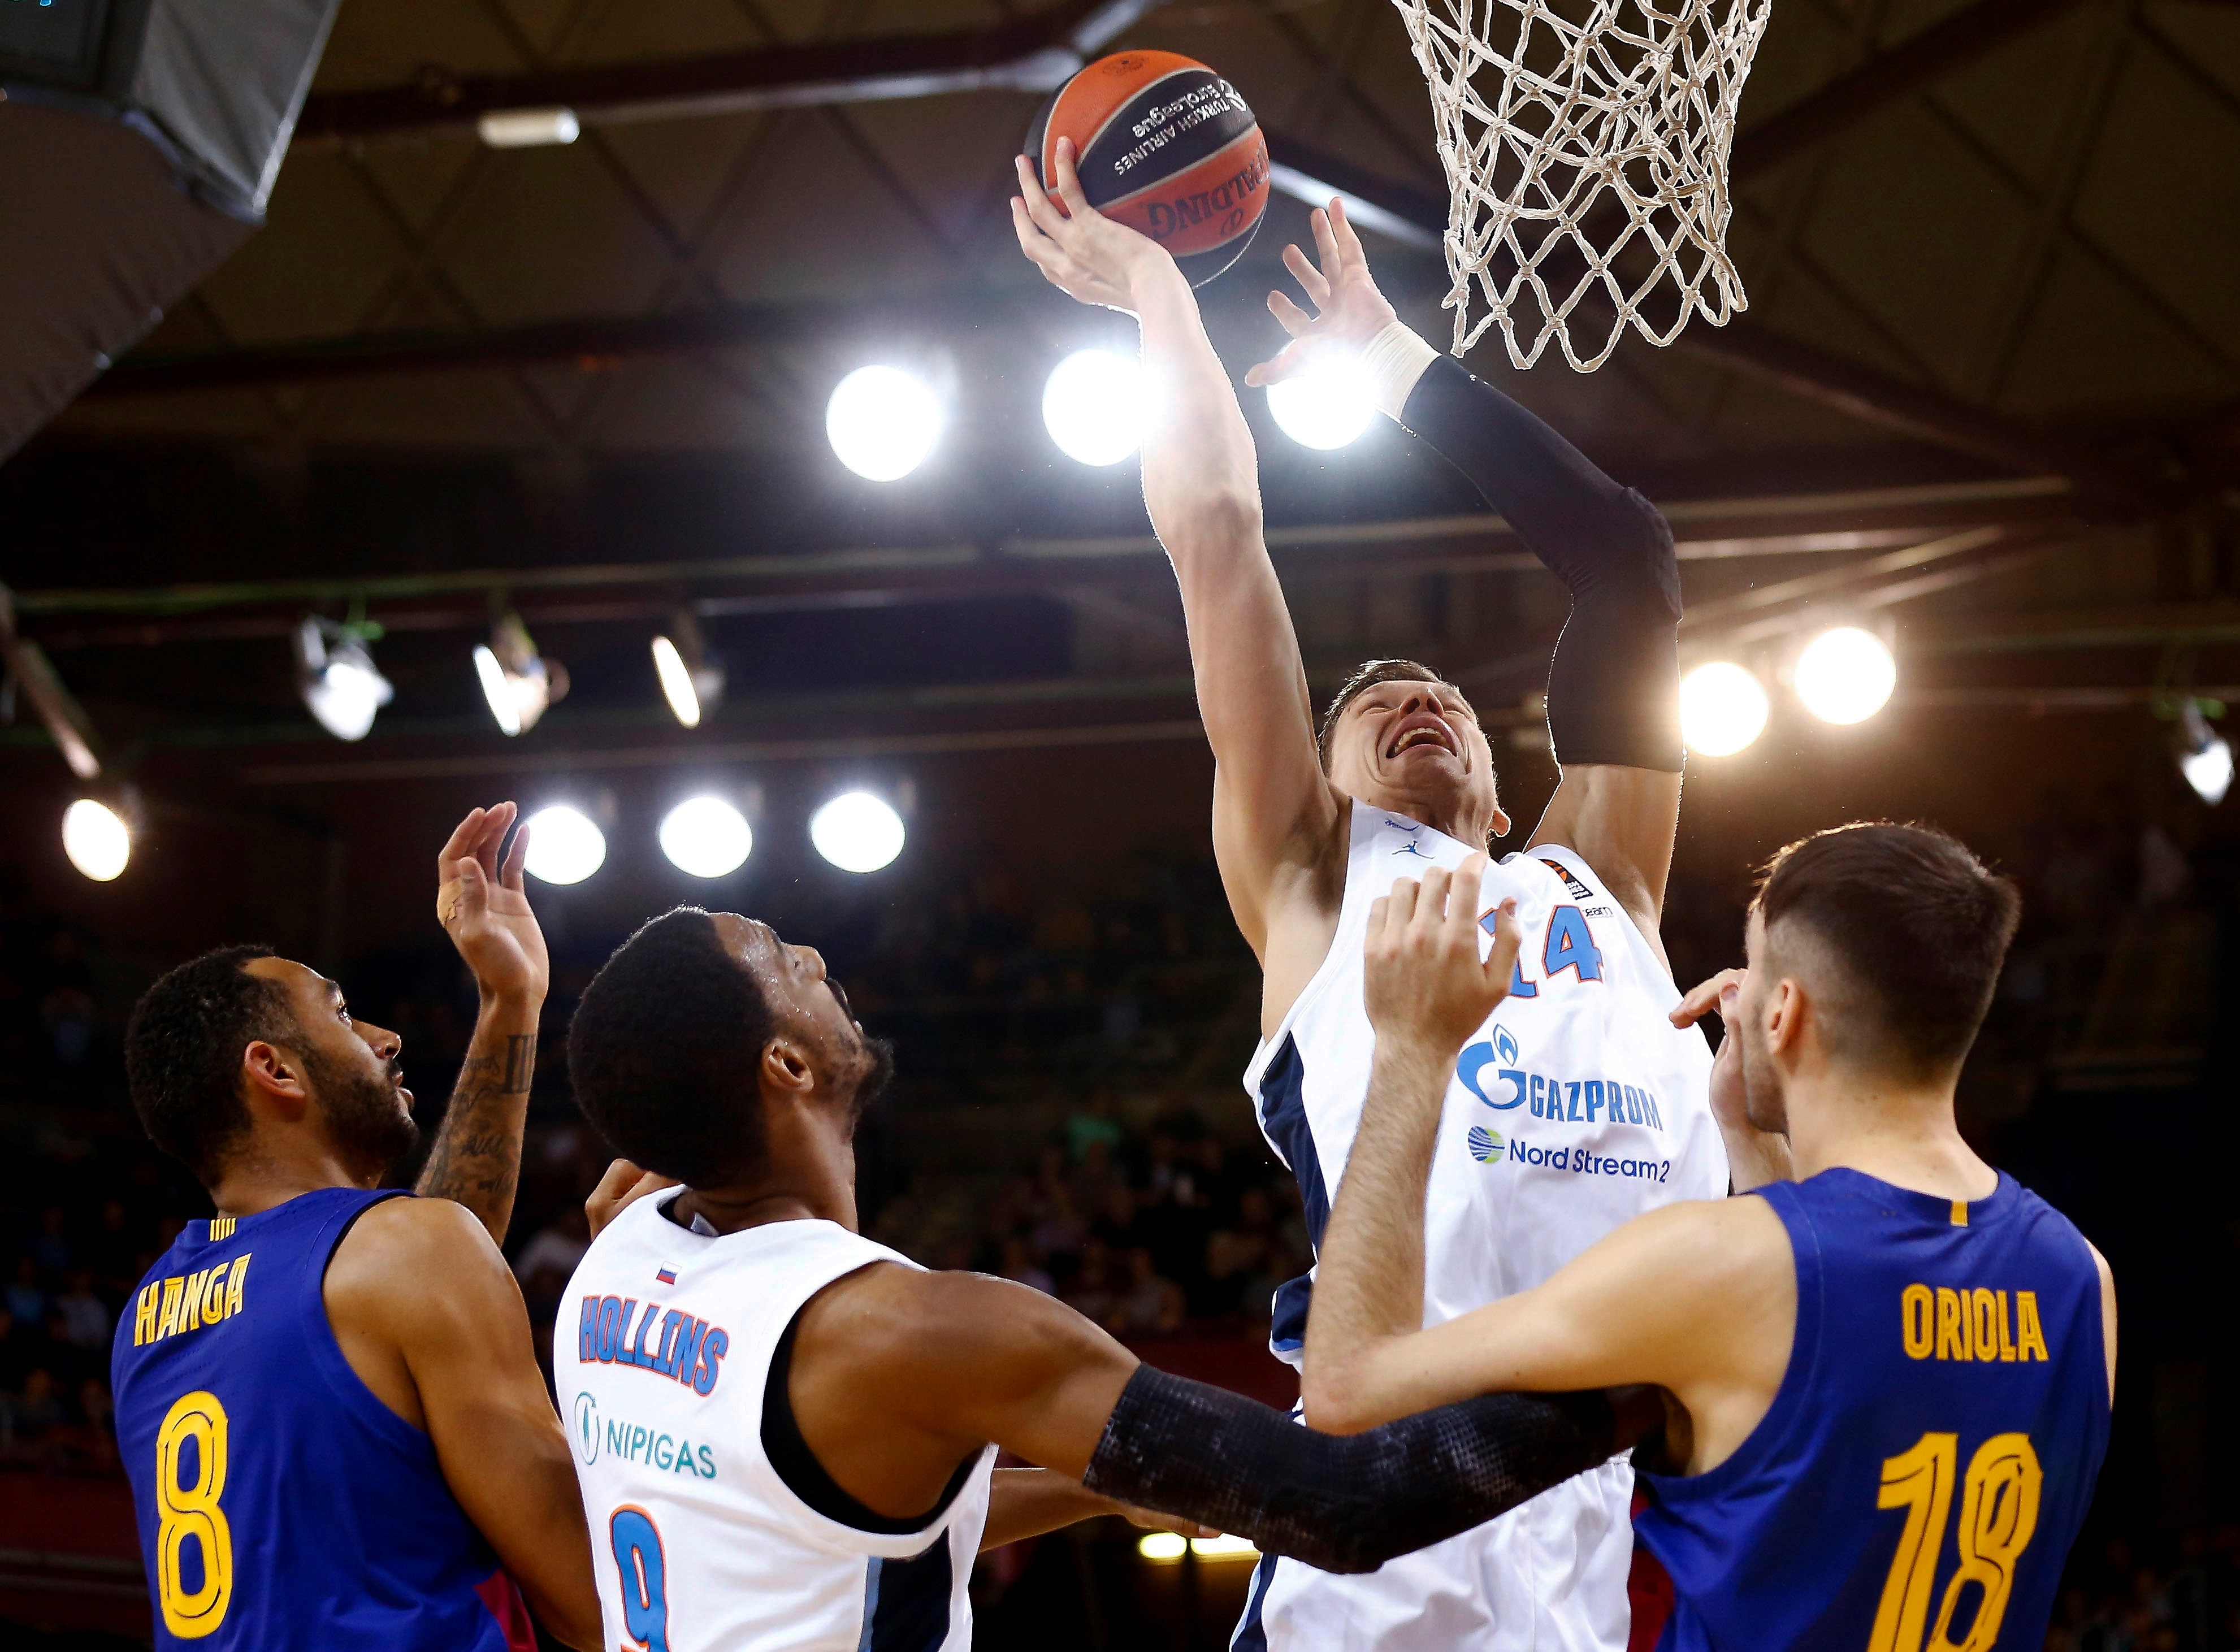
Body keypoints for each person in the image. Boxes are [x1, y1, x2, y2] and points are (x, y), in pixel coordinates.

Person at [1012, 141, 1738, 1650]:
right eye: (1372, 707)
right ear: (1323, 776)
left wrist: (1392, 359)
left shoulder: (1598, 874)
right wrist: (1158, 294)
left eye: (1446, 699)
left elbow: (1628, 563)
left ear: (1500, 756)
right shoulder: (1311, 879)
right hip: (1368, 1578)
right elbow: (1216, 532)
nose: (1418, 704)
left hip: (1578, 1569)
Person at [557, 905, 1666, 1652]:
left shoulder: (616, 1257)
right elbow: (1346, 1506)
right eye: (785, 963)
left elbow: (842, 1503)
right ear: (786, 1067)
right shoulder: (921, 1331)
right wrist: (1647, 1380)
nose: (815, 961)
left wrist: (1104, 1479)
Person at [1304, 831, 2115, 1652]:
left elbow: (1347, 1386)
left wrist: (1413, 1048)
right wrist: (1753, 1132)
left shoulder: (1718, 1263)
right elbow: (1841, 1385)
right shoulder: (2080, 1276)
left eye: (1755, 965)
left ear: (1784, 1011)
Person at [111, 803, 600, 1650]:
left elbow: (429, 1276)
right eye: (340, 1014)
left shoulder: (152, 1312)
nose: (385, 1035)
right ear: (274, 1070)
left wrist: (510, 999)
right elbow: (603, 1609)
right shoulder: (406, 1259)